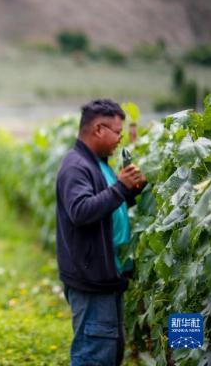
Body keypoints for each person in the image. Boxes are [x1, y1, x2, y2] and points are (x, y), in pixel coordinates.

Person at [55, 99, 146, 365]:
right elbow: (81, 212)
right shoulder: (76, 166)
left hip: (106, 277)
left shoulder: (98, 164)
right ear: (98, 129)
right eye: (117, 132)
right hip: (91, 282)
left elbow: (106, 208)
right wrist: (119, 188)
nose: (120, 138)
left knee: (108, 353)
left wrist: (131, 191)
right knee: (94, 356)